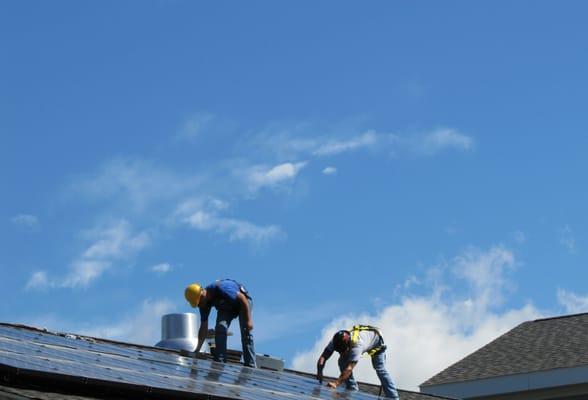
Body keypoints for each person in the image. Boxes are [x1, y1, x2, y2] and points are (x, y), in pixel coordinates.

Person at [185, 279, 256, 368]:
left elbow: (242, 299)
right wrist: (197, 349)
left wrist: (248, 320)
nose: (199, 306)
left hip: (242, 303)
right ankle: (220, 360)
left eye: (199, 303)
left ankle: (250, 365)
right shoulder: (203, 304)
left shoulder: (221, 288)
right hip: (227, 307)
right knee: (220, 328)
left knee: (246, 330)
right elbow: (203, 327)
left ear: (202, 295)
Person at [316, 325, 399, 399]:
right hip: (364, 341)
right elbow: (323, 357)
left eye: (343, 351)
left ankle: (393, 396)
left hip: (377, 342)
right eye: (339, 351)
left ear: (348, 345)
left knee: (380, 368)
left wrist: (336, 383)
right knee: (342, 361)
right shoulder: (335, 341)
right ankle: (352, 388)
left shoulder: (357, 345)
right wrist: (319, 371)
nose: (341, 353)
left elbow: (349, 368)